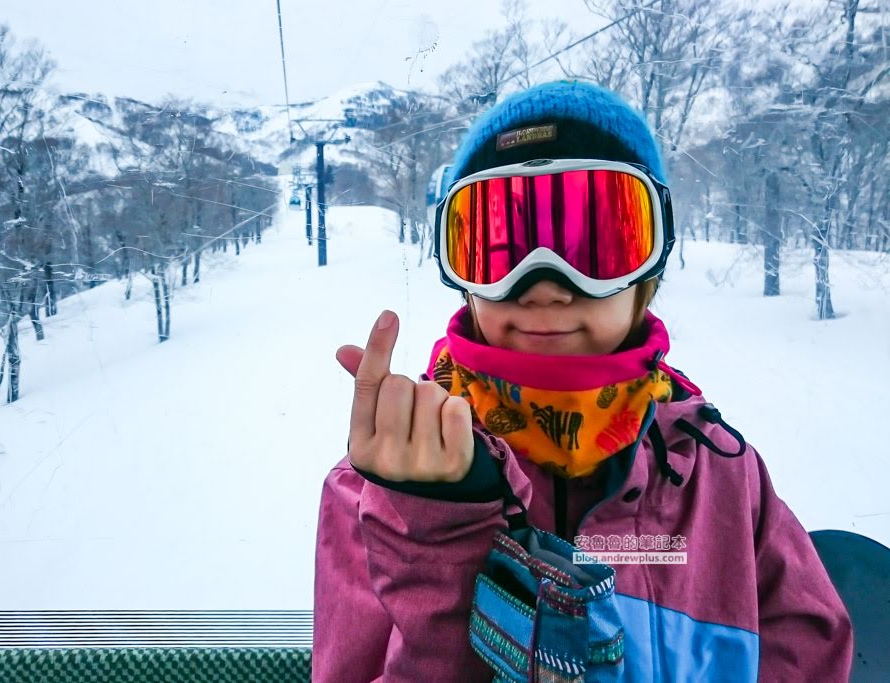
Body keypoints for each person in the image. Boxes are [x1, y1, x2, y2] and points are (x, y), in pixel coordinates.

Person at [312, 80, 853, 682]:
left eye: (598, 243)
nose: (546, 284)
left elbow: (809, 653)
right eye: (500, 247)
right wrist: (436, 538)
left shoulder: (721, 477)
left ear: (650, 268)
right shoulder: (384, 488)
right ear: (462, 276)